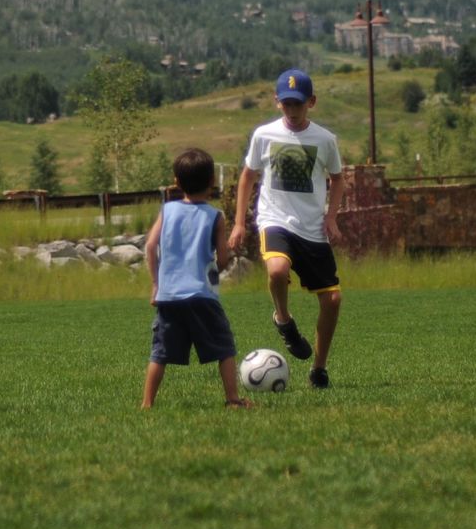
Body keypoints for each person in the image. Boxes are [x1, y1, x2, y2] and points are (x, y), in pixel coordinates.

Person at [229, 68, 344, 389]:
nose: (293, 111)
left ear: (312, 102)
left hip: (312, 230)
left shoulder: (325, 139)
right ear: (277, 102)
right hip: (274, 219)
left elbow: (338, 179)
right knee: (277, 270)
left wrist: (332, 217)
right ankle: (283, 319)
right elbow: (248, 176)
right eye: (287, 104)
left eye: (299, 104)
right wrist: (239, 223)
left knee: (333, 300)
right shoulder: (264, 135)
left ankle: (319, 370)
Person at [142, 147, 247, 409]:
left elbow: (150, 247)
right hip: (202, 296)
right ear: (213, 180)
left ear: (176, 182)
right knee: (224, 347)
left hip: (169, 297)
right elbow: (222, 260)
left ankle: (147, 403)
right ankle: (233, 399)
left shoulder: (167, 211)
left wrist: (156, 284)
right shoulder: (215, 217)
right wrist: (228, 256)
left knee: (160, 353)